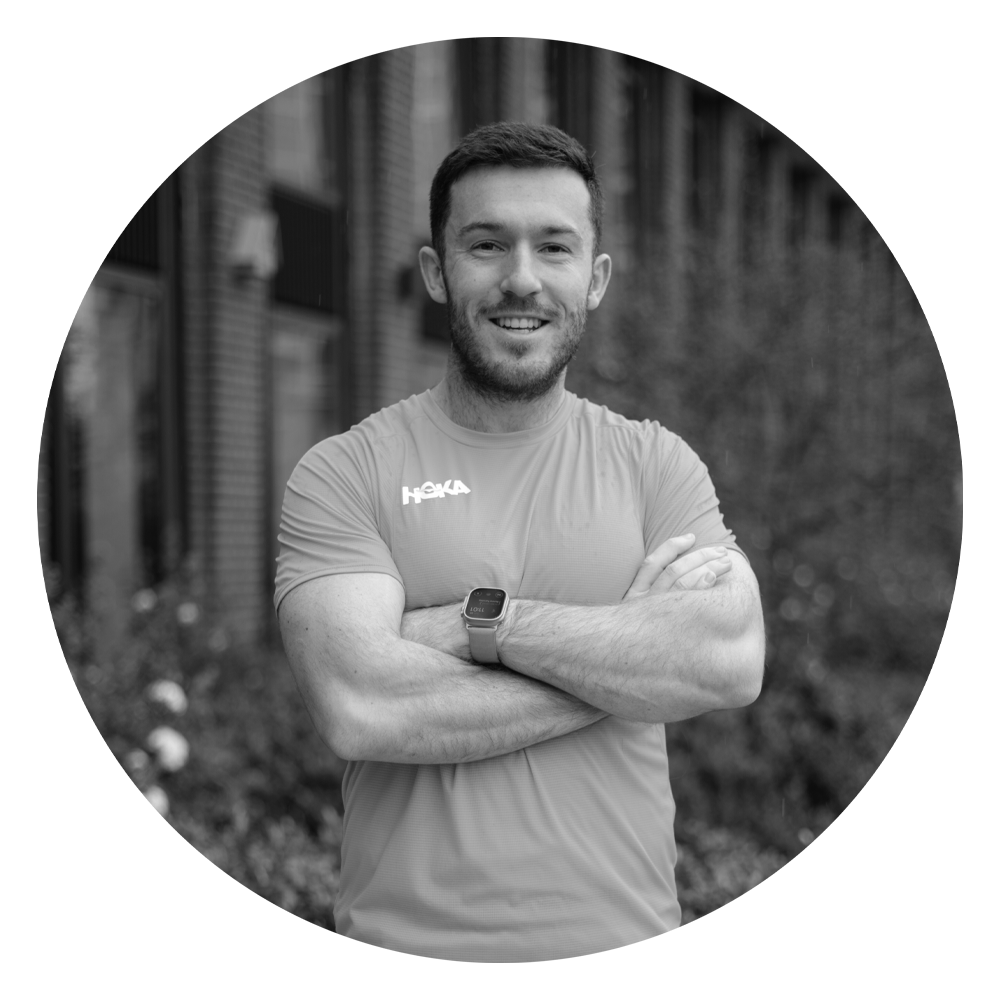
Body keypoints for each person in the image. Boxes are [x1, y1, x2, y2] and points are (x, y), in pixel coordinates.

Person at [275, 121, 765, 962]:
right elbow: (361, 705)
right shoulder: (346, 471)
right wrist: (629, 669)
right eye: (487, 244)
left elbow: (728, 660)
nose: (523, 279)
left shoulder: (655, 464)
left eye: (555, 247)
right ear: (437, 271)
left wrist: (480, 626)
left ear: (595, 279)